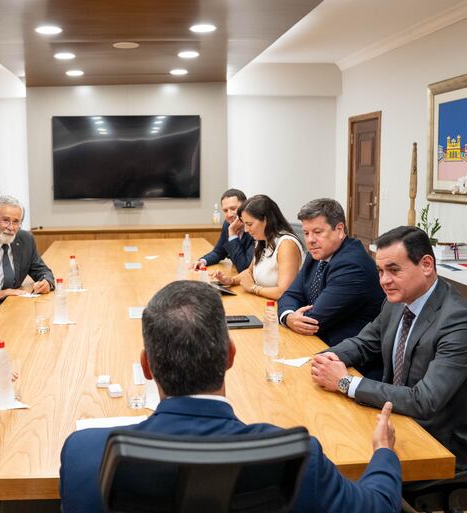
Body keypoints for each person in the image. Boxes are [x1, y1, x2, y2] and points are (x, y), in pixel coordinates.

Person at [60, 281, 402, 513]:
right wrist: (384, 453)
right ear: (230, 355)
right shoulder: (296, 456)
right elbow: (377, 506)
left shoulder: (85, 453)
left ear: (147, 367)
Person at [311, 226, 467, 469]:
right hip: (399, 418)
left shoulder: (460, 322)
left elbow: (424, 400)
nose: (384, 281)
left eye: (393, 270)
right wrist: (321, 358)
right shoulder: (398, 302)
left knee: (334, 466)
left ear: (426, 265)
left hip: (444, 441)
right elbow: (363, 343)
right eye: (380, 271)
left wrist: (345, 382)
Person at [278, 198, 384, 347]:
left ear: (339, 230)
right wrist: (288, 317)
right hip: (319, 344)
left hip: (349, 357)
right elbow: (290, 295)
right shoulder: (316, 254)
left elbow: (313, 320)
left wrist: (291, 318)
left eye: (317, 232)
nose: (310, 240)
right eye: (306, 233)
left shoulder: (352, 266)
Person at [0, 195, 55, 326]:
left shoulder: (25, 239)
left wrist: (47, 282)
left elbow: (41, 270)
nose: (11, 227)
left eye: (16, 221)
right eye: (6, 220)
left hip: (16, 308)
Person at [213, 194, 303, 300]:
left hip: (279, 310)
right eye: (244, 224)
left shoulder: (287, 244)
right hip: (262, 303)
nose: (246, 230)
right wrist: (231, 280)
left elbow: (283, 292)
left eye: (249, 224)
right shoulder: (262, 240)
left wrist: (253, 288)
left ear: (266, 220)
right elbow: (250, 272)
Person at [194, 188, 255, 272]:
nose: (229, 215)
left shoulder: (254, 229)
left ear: (245, 207)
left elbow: (244, 267)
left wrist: (232, 234)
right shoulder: (228, 225)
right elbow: (218, 252)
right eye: (225, 210)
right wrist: (202, 261)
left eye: (233, 209)